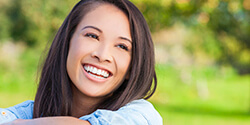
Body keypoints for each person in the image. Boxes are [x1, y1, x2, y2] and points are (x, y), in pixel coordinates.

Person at [0, 0, 162, 124]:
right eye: (92, 36)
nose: (102, 55)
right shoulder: (21, 115)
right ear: (67, 41)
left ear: (132, 67)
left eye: (122, 46)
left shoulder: (140, 115)